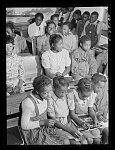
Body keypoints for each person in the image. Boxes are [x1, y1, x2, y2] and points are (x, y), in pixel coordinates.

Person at [21, 75, 70, 145]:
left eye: (50, 91)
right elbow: (24, 126)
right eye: (45, 93)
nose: (49, 95)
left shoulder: (45, 97)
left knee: (66, 141)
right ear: (37, 91)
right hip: (34, 132)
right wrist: (42, 122)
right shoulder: (29, 103)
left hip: (45, 128)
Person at [47, 76, 88, 144]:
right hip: (57, 126)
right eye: (61, 92)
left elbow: (72, 114)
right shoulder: (50, 99)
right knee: (68, 142)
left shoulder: (68, 95)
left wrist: (81, 122)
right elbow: (54, 121)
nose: (64, 94)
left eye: (65, 91)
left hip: (67, 123)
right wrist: (70, 131)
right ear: (54, 89)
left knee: (84, 141)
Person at [72, 78, 101, 144]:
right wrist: (81, 123)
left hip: (87, 119)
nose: (85, 98)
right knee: (89, 139)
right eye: (83, 96)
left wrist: (95, 119)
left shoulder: (91, 95)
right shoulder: (73, 95)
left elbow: (90, 109)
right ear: (78, 91)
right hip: (76, 120)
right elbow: (72, 114)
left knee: (97, 139)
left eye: (87, 97)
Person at [91, 73, 109, 144]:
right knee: (106, 131)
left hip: (102, 117)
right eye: (99, 87)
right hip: (94, 117)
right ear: (92, 84)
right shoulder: (90, 94)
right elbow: (91, 109)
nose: (100, 89)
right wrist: (99, 116)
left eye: (102, 88)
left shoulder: (104, 93)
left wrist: (104, 116)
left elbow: (106, 105)